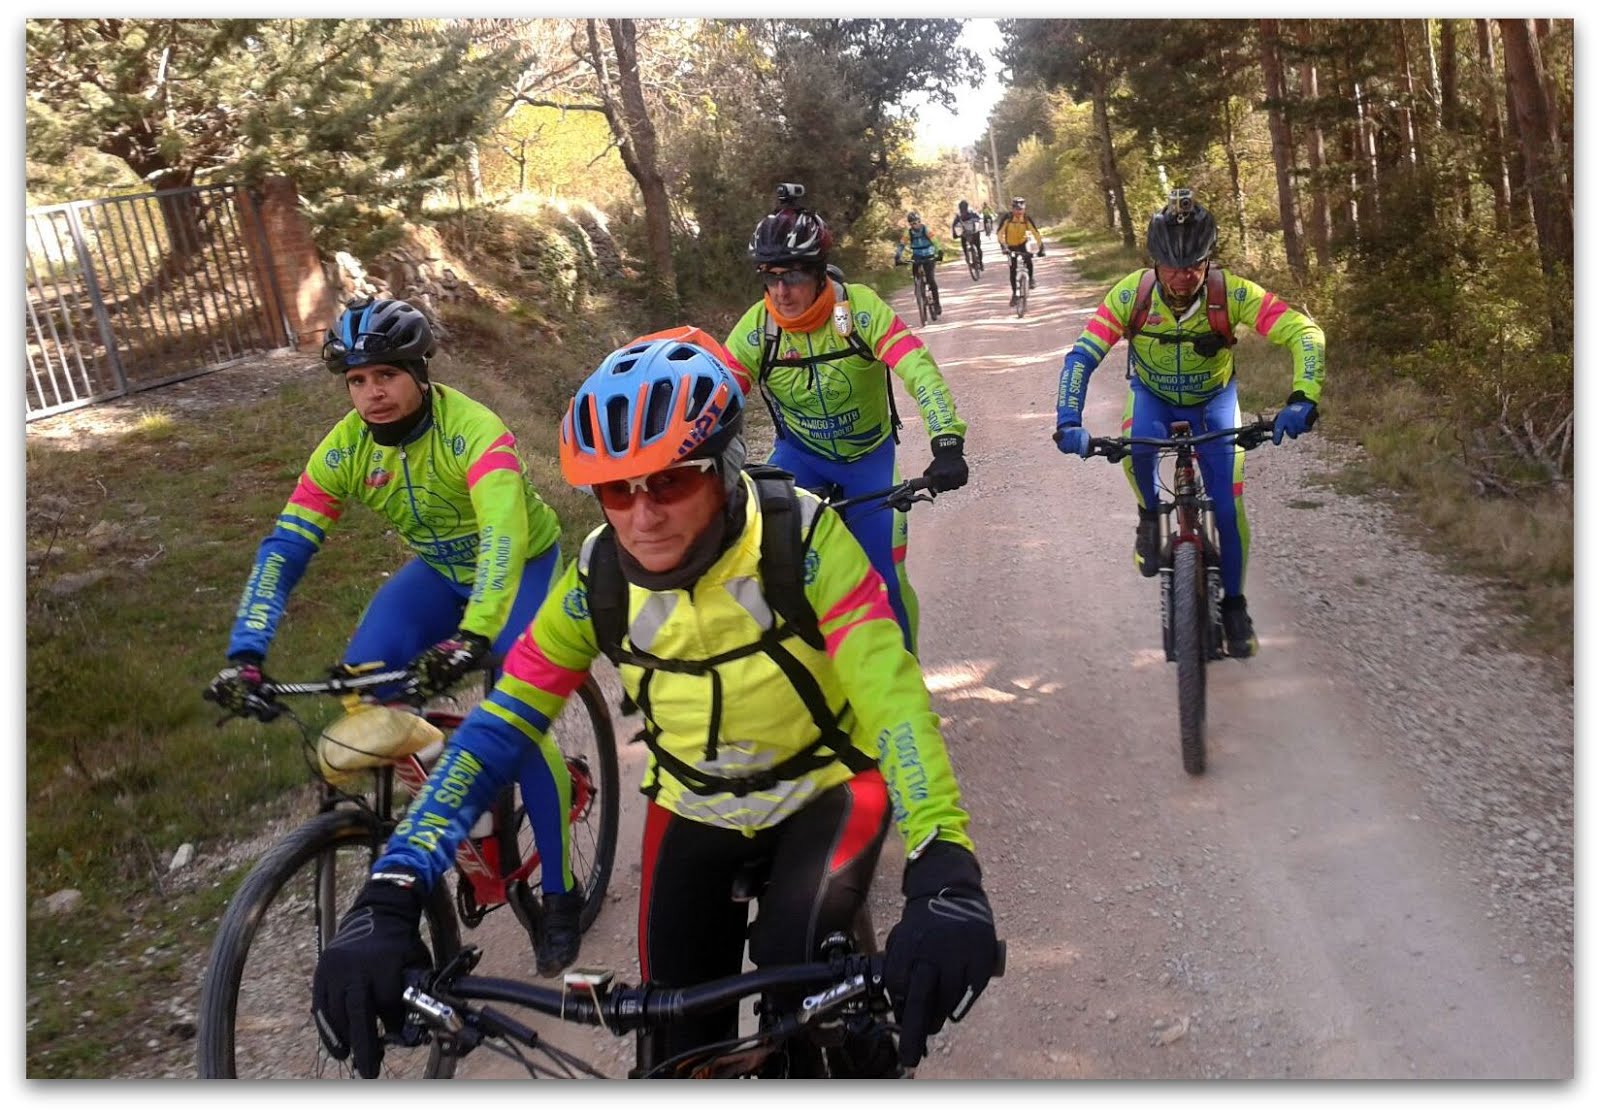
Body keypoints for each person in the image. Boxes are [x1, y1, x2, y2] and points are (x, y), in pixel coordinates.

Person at [309, 333, 1000, 1079]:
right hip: (693, 800)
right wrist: (394, 886)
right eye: (616, 489)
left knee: (804, 981)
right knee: (674, 1037)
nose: (642, 516)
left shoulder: (800, 539)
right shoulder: (597, 575)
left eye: (670, 480)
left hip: (827, 784)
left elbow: (889, 692)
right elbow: (499, 727)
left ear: (725, 469)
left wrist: (944, 859)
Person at [203, 295, 585, 968]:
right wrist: (247, 651)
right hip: (439, 572)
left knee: (515, 721)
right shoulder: (344, 449)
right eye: (356, 380)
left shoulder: (473, 429)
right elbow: (285, 548)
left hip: (519, 566)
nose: (371, 393)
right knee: (365, 684)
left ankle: (560, 892)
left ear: (418, 371)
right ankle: (445, 817)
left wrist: (475, 635)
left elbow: (502, 533)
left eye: (385, 375)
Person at [1050, 188, 1326, 657]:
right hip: (1153, 398)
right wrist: (1068, 417)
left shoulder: (1230, 292)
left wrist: (1303, 398)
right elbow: (1082, 356)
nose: (1182, 277)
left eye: (1194, 265)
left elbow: (1304, 332)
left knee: (1227, 505)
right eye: (1172, 266)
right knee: (1136, 450)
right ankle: (1146, 516)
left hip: (1214, 402)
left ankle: (1235, 605)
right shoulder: (1130, 294)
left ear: (1208, 260)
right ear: (1153, 262)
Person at [724, 189, 972, 652]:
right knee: (766, 573)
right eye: (770, 276)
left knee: (885, 578)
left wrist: (946, 440)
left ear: (819, 273)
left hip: (868, 460)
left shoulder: (857, 309)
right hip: (800, 457)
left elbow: (918, 368)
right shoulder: (759, 327)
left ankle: (905, 680)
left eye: (794, 274)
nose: (782, 290)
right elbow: (714, 397)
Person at [893, 210, 944, 319]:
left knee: (931, 280)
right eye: (912, 224)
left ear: (920, 221)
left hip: (929, 255)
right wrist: (898, 256)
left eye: (916, 222)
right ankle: (920, 292)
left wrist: (939, 251)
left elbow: (935, 241)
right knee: (916, 278)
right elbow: (902, 244)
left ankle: (937, 304)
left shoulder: (926, 229)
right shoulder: (909, 232)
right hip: (917, 256)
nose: (915, 225)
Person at [996, 197, 1044, 305]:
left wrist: (1041, 247)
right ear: (1012, 209)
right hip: (1011, 246)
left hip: (1023, 244)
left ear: (1024, 209)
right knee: (1013, 269)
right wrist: (1003, 246)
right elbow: (1000, 233)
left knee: (1028, 260)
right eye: (1017, 209)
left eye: (1021, 209)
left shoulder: (1026, 218)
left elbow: (1035, 233)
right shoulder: (1007, 218)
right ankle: (1014, 294)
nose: (1019, 212)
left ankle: (1030, 279)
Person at [950, 200, 983, 268]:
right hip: (974, 233)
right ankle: (980, 262)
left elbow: (954, 225)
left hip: (965, 235)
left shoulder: (959, 216)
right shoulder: (972, 212)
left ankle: (967, 256)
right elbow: (978, 218)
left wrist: (955, 234)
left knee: (964, 244)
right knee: (978, 247)